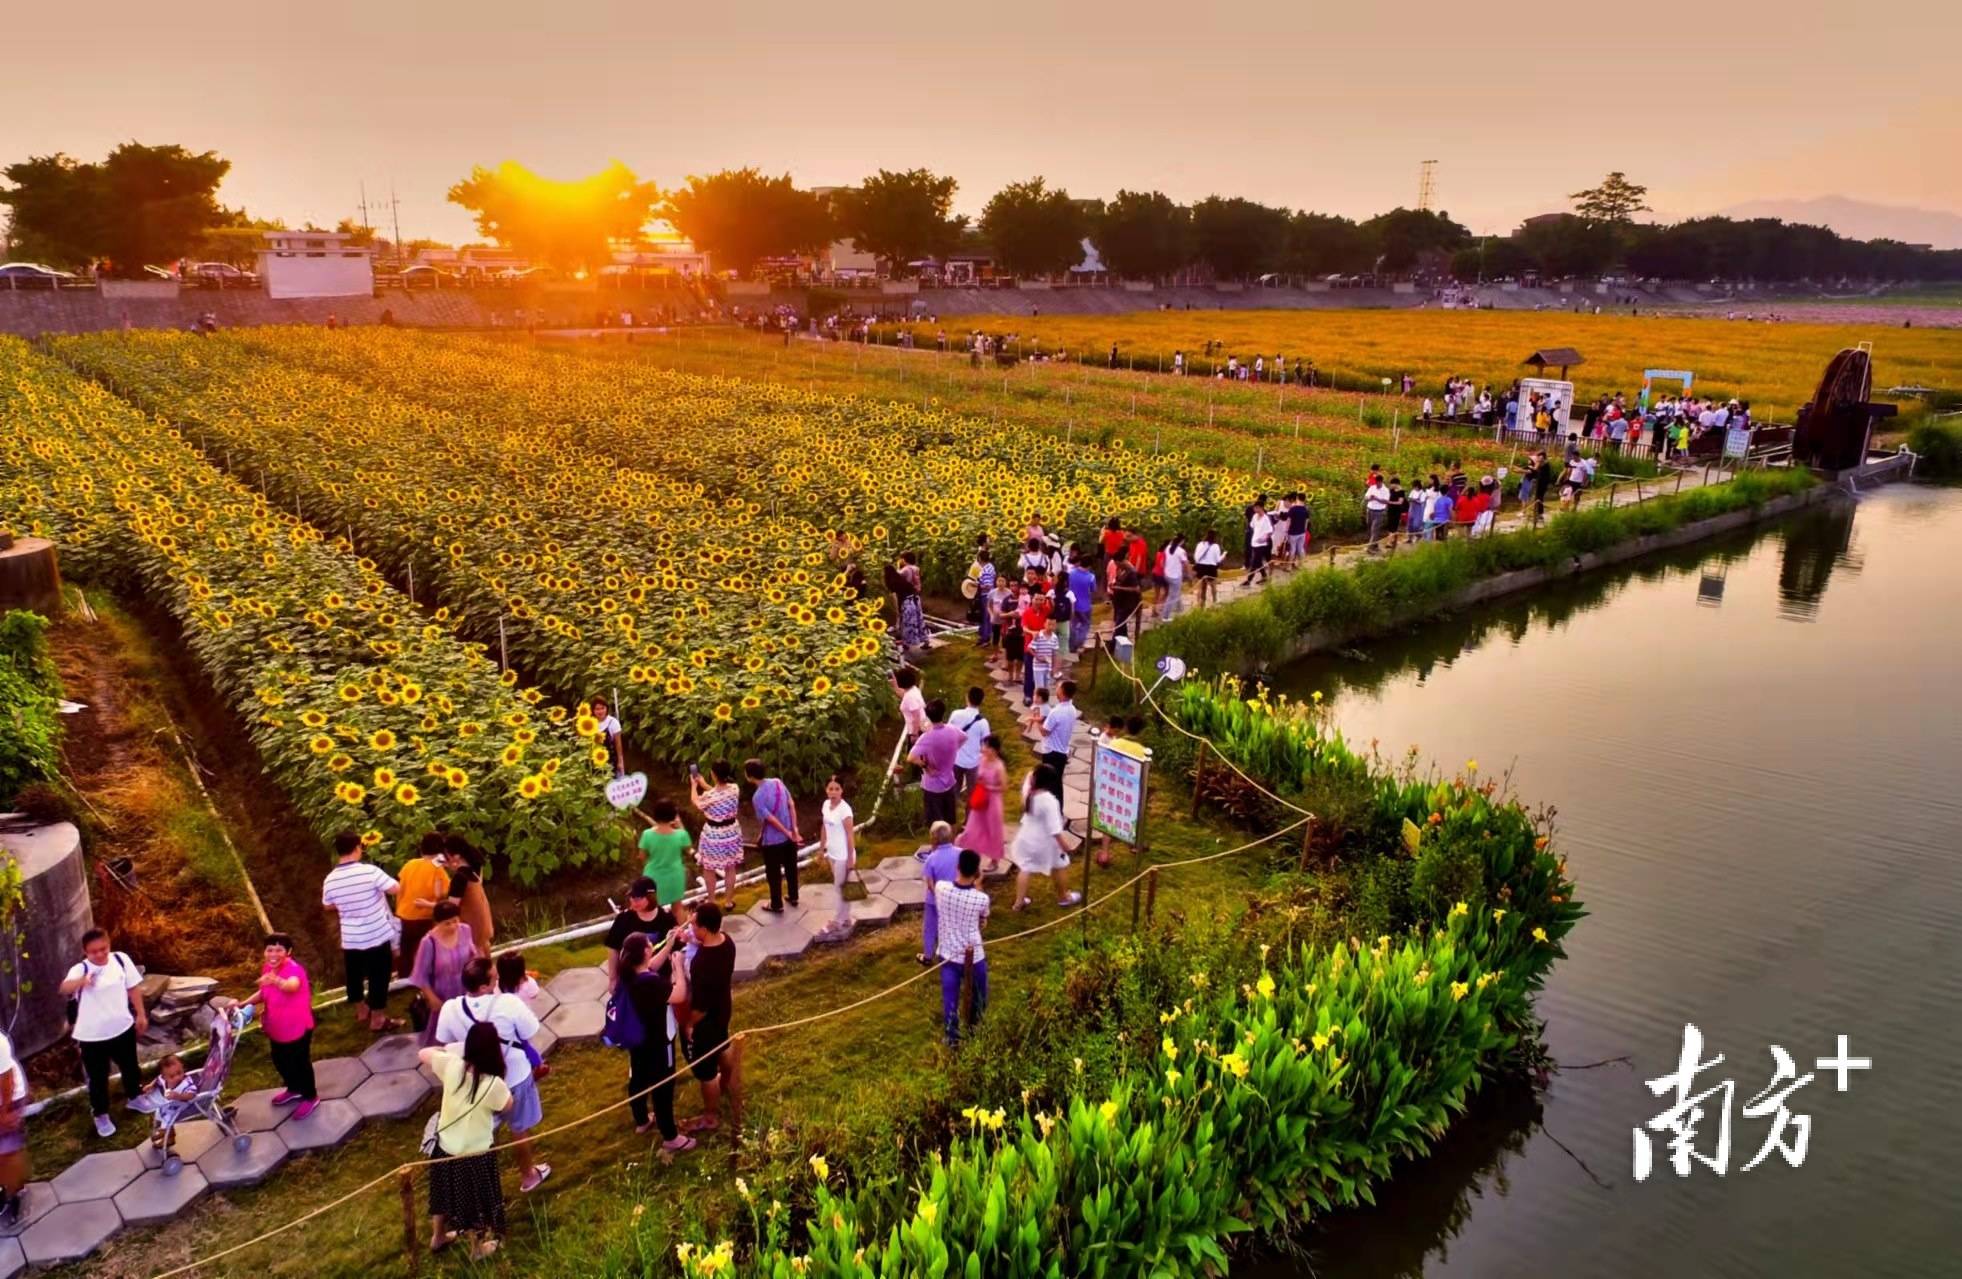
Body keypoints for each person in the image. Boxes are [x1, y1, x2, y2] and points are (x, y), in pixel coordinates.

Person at [434, 958, 549, 1193]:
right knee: (520, 1128)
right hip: (515, 1076)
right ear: (484, 986)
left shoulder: (450, 1008)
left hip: (478, 1082)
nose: (498, 979)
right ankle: (528, 1176)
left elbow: (446, 1042)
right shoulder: (508, 1003)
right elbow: (531, 1030)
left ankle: (483, 1187)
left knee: (483, 1135)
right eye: (494, 977)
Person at [419, 1023, 514, 1261]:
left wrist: (449, 1051)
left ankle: (438, 1237)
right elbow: (507, 1105)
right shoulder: (493, 1084)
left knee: (441, 1194)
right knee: (474, 1203)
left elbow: (423, 1054)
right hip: (474, 1154)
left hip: (444, 1146)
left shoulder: (452, 1066)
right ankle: (476, 1249)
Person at [62, 928, 146, 1138]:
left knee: (130, 1067)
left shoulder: (120, 959)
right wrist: (82, 982)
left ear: (109, 946)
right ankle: (100, 1113)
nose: (99, 955)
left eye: (103, 949)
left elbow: (133, 988)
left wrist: (141, 1015)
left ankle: (135, 1097)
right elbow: (64, 988)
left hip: (122, 1028)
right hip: (92, 1037)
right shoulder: (80, 969)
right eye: (93, 951)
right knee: (98, 1078)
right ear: (85, 951)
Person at [617, 929, 695, 1153]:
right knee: (663, 1088)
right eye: (649, 945)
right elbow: (678, 995)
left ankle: (642, 1120)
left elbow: (649, 965)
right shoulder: (650, 983)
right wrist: (678, 966)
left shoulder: (628, 974)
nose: (653, 947)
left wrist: (669, 945)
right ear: (644, 952)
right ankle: (671, 1137)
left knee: (638, 1079)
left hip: (637, 1039)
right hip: (659, 1042)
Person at [321, 832, 402, 1034]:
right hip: (376, 934)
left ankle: (361, 1011)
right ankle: (378, 1019)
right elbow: (395, 888)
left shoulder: (331, 879)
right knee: (379, 976)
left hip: (351, 938)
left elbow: (327, 905)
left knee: (354, 976)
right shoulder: (369, 871)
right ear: (357, 848)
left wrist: (347, 903)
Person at [681, 903, 741, 1136]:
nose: (691, 926)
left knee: (706, 1071)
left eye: (694, 924)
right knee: (722, 1044)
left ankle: (710, 1116)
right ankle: (726, 1081)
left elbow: (700, 1008)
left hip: (706, 1020)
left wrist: (688, 1024)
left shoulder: (702, 964)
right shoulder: (727, 942)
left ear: (704, 928)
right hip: (723, 1009)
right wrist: (690, 940)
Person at [242, 932, 317, 1119]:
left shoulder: (294, 969)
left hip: (297, 1027)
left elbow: (291, 986)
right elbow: (263, 992)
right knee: (280, 1061)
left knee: (300, 1063)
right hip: (277, 1028)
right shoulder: (267, 967)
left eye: (279, 950)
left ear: (288, 952)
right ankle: (294, 1089)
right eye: (269, 949)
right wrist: (242, 1004)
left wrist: (274, 979)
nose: (273, 954)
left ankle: (310, 1096)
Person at [934, 850, 992, 1046]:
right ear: (976, 872)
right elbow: (983, 917)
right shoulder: (981, 899)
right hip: (974, 954)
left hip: (949, 953)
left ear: (957, 867)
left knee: (950, 997)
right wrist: (978, 883)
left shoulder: (941, 888)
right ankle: (977, 1028)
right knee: (980, 993)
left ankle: (952, 1037)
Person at [1011, 764, 1080, 911]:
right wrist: (1065, 847)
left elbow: (1031, 776)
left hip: (1026, 836)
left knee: (1025, 867)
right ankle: (1064, 897)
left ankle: (1019, 902)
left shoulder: (1029, 792)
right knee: (1060, 865)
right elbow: (1055, 829)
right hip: (1045, 841)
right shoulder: (1049, 801)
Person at [409, 901, 478, 1044]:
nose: (453, 926)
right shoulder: (428, 943)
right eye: (447, 923)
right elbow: (420, 975)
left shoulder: (465, 930)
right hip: (442, 994)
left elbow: (473, 955)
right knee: (444, 1033)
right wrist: (432, 998)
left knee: (470, 1026)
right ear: (437, 923)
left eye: (455, 921)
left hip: (466, 989)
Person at [745, 760, 801, 913]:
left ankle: (776, 904)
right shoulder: (778, 782)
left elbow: (770, 819)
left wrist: (786, 831)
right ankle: (793, 896)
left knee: (774, 873)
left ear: (749, 776)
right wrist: (793, 830)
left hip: (773, 841)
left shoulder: (757, 797)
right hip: (790, 838)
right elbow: (791, 804)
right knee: (791, 868)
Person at [395, 832, 452, 979]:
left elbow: (400, 884)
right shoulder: (437, 870)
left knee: (406, 951)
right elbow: (441, 894)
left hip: (405, 915)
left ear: (421, 849)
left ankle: (404, 978)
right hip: (425, 917)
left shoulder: (409, 864)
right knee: (426, 950)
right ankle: (426, 977)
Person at [690, 761, 744, 909]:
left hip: (714, 835)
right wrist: (704, 784)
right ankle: (728, 901)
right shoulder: (734, 788)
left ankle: (712, 901)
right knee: (730, 867)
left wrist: (694, 786)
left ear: (713, 774)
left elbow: (696, 801)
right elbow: (720, 793)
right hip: (732, 831)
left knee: (709, 868)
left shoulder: (709, 796)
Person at [906, 699, 965, 830]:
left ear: (928, 716)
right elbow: (964, 737)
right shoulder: (952, 730)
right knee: (951, 820)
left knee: (935, 825)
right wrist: (954, 749)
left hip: (932, 786)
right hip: (949, 781)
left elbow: (910, 757)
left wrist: (926, 766)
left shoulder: (927, 737)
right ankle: (952, 847)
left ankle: (937, 849)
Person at [605, 877, 679, 980]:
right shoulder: (623, 919)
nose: (634, 901)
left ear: (651, 897)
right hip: (630, 979)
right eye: (632, 897)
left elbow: (676, 950)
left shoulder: (666, 918)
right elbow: (613, 949)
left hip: (660, 978)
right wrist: (613, 979)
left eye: (639, 897)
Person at [956, 735, 1009, 874]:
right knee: (973, 828)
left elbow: (1003, 787)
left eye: (986, 746)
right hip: (980, 800)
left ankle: (994, 860)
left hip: (993, 802)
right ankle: (973, 856)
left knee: (993, 830)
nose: (983, 749)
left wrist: (989, 787)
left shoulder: (999, 766)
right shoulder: (981, 760)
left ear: (993, 750)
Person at [816, 776, 856, 942]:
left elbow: (849, 834)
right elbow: (824, 827)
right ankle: (845, 917)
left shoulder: (845, 810)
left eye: (836, 789)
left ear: (842, 791)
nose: (833, 792)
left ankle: (837, 921)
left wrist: (850, 858)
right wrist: (821, 848)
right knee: (842, 887)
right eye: (830, 788)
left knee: (839, 888)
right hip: (832, 852)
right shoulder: (826, 805)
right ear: (826, 790)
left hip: (843, 855)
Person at [917, 821, 963, 965]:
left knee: (930, 927)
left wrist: (938, 894)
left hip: (935, 901)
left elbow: (930, 883)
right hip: (956, 898)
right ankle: (955, 953)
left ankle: (928, 956)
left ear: (934, 838)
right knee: (954, 925)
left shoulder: (931, 858)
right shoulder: (961, 853)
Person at [638, 799, 692, 909]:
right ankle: (681, 927)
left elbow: (642, 856)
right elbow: (689, 849)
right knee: (677, 908)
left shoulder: (647, 834)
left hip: (653, 877)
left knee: (652, 909)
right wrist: (680, 825)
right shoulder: (681, 835)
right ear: (673, 816)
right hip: (675, 876)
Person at [445, 836, 494, 958]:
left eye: (447, 855)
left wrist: (427, 904)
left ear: (456, 856)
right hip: (483, 926)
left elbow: (450, 908)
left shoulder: (459, 878)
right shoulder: (472, 873)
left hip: (471, 930)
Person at [0, 1026, 26, 1232]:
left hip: (7, 1099)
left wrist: (5, 1112)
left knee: (6, 1151)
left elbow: (6, 1079)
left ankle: (13, 1195)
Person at [1037, 680, 1078, 802]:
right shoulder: (1072, 709)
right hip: (1062, 752)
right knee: (1057, 784)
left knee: (1050, 786)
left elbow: (1045, 731)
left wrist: (1038, 722)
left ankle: (1053, 813)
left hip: (1051, 753)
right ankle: (1058, 812)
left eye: (1059, 687)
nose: (1056, 688)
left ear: (1063, 692)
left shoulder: (1056, 712)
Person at [949, 689, 989, 797]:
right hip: (974, 763)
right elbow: (986, 745)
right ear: (982, 701)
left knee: (953, 793)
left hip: (956, 759)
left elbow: (949, 733)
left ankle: (950, 812)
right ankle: (970, 814)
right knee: (973, 796)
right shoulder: (983, 723)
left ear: (967, 697)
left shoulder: (955, 715)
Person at [893, 551, 929, 651]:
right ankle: (925, 640)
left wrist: (898, 567)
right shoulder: (916, 568)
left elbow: (896, 578)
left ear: (904, 559)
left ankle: (907, 643)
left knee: (908, 620)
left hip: (907, 598)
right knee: (919, 618)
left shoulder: (905, 570)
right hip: (916, 597)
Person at [1066, 555, 1098, 653]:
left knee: (1073, 625)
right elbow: (1093, 590)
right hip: (1085, 605)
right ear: (1089, 565)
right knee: (1085, 625)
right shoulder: (1091, 577)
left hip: (1071, 604)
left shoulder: (1071, 573)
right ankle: (1078, 643)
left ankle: (1071, 645)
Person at [1109, 557, 1143, 641]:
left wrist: (1119, 588)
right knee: (1121, 624)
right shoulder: (1123, 570)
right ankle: (1124, 639)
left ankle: (1113, 644)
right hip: (1120, 602)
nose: (1116, 565)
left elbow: (1136, 589)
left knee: (1119, 623)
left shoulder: (1131, 572)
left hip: (1128, 603)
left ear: (1120, 561)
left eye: (1116, 563)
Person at [591, 696, 626, 777]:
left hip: (611, 761)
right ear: (593, 710)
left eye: (602, 708)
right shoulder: (590, 724)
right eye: (597, 709)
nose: (600, 711)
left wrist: (620, 762)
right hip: (595, 761)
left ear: (606, 708)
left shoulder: (612, 722)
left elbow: (618, 744)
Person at [893, 667, 928, 743]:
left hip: (918, 731)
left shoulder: (910, 697)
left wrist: (914, 735)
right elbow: (903, 695)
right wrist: (894, 685)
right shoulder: (913, 690)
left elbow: (916, 716)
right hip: (922, 728)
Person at [1159, 534, 1189, 619]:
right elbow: (1186, 564)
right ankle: (1165, 616)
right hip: (1175, 576)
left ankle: (1179, 607)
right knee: (1172, 596)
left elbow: (1163, 561)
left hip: (1167, 574)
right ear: (1182, 541)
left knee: (1176, 591)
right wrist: (1189, 575)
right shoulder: (1181, 551)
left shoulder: (1168, 547)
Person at [1245, 498, 1274, 584]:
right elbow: (1252, 526)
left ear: (1261, 508)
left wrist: (1264, 538)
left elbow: (1270, 531)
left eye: (1256, 507)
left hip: (1261, 544)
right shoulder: (1254, 516)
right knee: (1258, 562)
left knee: (1254, 563)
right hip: (1254, 542)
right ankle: (1264, 577)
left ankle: (1248, 580)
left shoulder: (1265, 519)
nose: (1255, 509)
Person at [1192, 528, 1223, 607]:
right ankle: (1214, 601)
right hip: (1211, 568)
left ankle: (1199, 603)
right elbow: (1217, 560)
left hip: (1201, 566)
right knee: (1213, 586)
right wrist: (1224, 556)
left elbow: (1196, 557)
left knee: (1200, 587)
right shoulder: (1216, 546)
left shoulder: (1200, 544)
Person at [1363, 475, 1392, 553]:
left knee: (1374, 529)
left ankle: (1370, 548)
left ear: (1381, 481)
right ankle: (1375, 545)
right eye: (1376, 483)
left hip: (1379, 512)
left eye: (1378, 483)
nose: (1377, 484)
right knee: (1370, 528)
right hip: (1370, 510)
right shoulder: (1372, 488)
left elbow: (1386, 501)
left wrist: (1377, 498)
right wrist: (1370, 498)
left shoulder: (1385, 490)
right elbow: (1366, 497)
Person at [1284, 495, 1311, 566]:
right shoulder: (1305, 509)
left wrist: (1286, 530)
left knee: (1292, 549)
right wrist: (1304, 531)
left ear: (1297, 499)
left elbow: (1289, 520)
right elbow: (1306, 522)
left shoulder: (1293, 509)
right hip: (1302, 532)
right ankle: (1301, 565)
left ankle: (1289, 566)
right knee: (1300, 548)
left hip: (1293, 532)